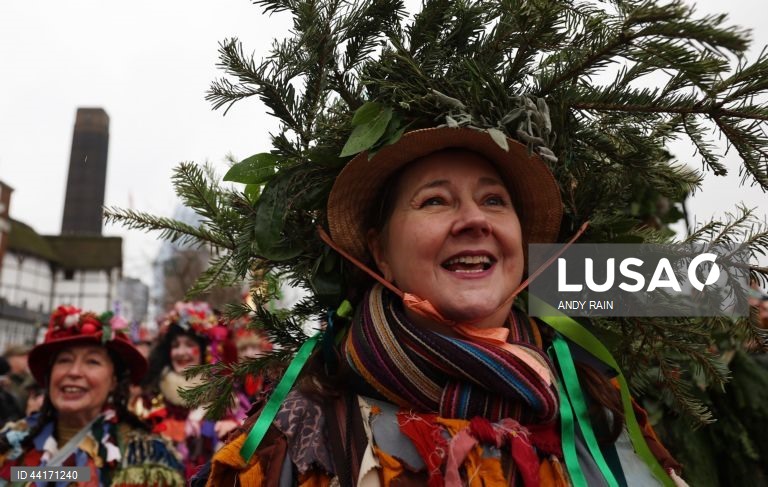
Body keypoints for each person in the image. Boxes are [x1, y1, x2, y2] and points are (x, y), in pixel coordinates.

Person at [201, 127, 685, 486]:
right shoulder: (307, 432)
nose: (474, 220)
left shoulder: (597, 409)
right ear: (380, 252)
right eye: (435, 201)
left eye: (494, 200)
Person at [0, 305, 184, 486]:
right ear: (50, 376)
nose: (74, 372)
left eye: (92, 362)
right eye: (64, 360)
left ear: (114, 381)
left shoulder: (145, 455)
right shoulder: (12, 441)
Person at [135, 301, 233, 479]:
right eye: (175, 345)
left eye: (189, 344)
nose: (181, 352)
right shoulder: (149, 398)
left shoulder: (225, 400)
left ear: (205, 351)